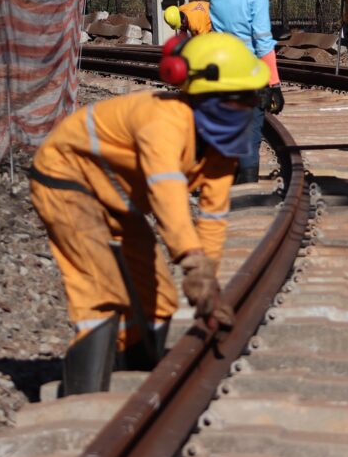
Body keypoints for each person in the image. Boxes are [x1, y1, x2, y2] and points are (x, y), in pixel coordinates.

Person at [29, 33, 269, 395]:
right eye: (244, 98)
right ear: (211, 98)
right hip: (67, 180)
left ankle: (136, 379)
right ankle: (84, 393)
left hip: (115, 196)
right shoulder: (164, 122)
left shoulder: (221, 148)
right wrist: (191, 260)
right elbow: (167, 194)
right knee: (101, 289)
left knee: (158, 298)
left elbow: (213, 219)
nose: (251, 106)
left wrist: (209, 286)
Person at [197, 0, 284, 184]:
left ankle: (218, 178)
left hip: (219, 71)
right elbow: (263, 42)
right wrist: (274, 84)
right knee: (250, 130)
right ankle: (247, 184)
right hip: (248, 75)